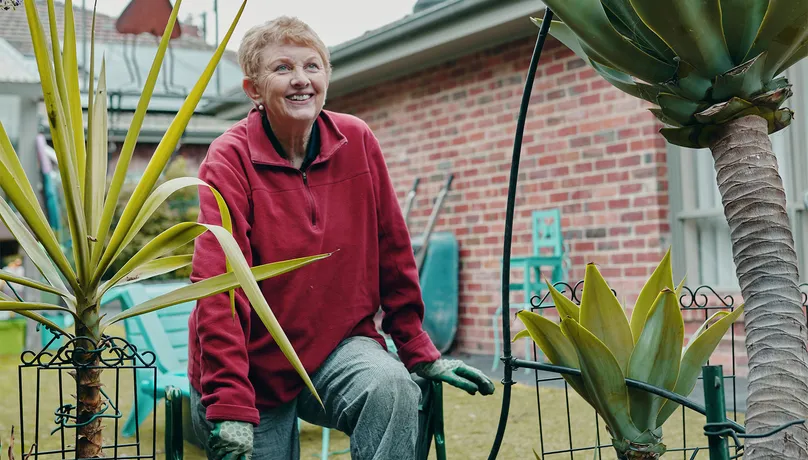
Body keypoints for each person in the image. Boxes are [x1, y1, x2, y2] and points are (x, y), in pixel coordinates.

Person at [188, 16, 494, 460]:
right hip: (250, 368)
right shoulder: (229, 158)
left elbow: (394, 250)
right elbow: (218, 286)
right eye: (282, 69)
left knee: (391, 388)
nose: (301, 80)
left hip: (336, 348)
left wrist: (416, 347)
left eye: (313, 66)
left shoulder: (357, 140)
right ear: (253, 90)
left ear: (327, 77)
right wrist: (230, 399)